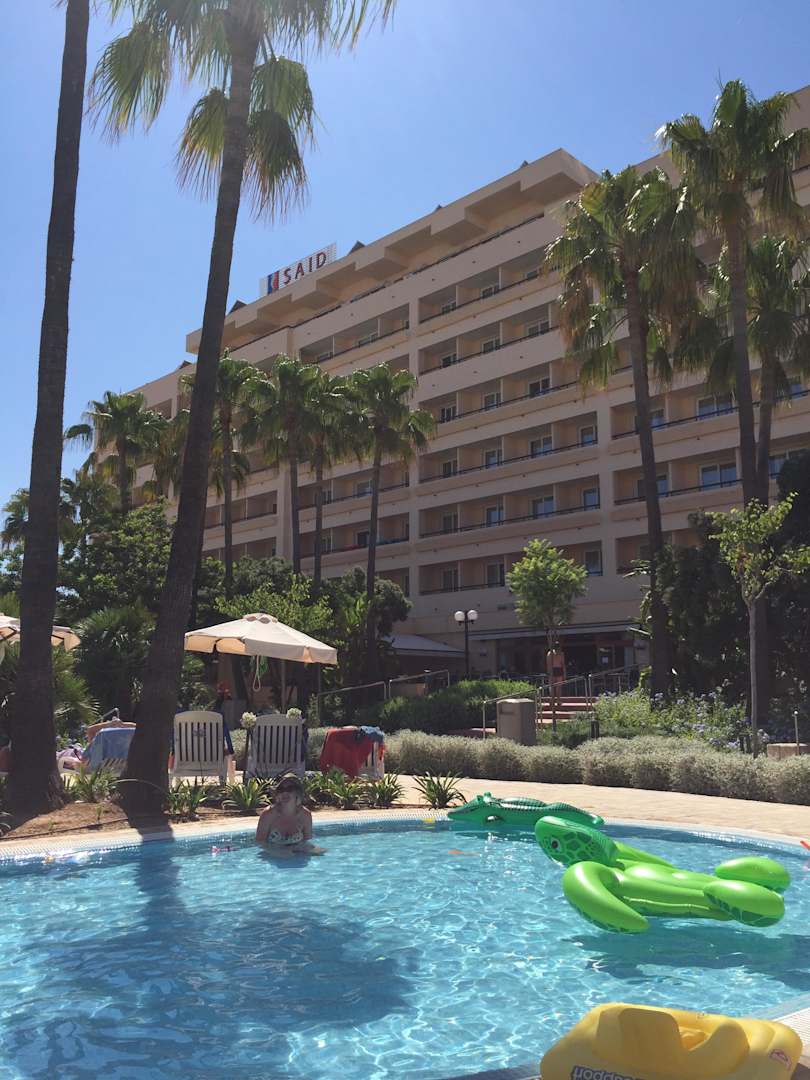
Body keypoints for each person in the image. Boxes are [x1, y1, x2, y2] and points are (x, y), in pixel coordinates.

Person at [256, 774, 324, 856]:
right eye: (281, 789)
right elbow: (260, 843)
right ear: (277, 794)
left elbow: (307, 841)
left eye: (290, 789)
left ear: (297, 793)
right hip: (274, 856)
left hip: (297, 855)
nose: (285, 792)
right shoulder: (268, 814)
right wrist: (277, 852)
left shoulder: (305, 815)